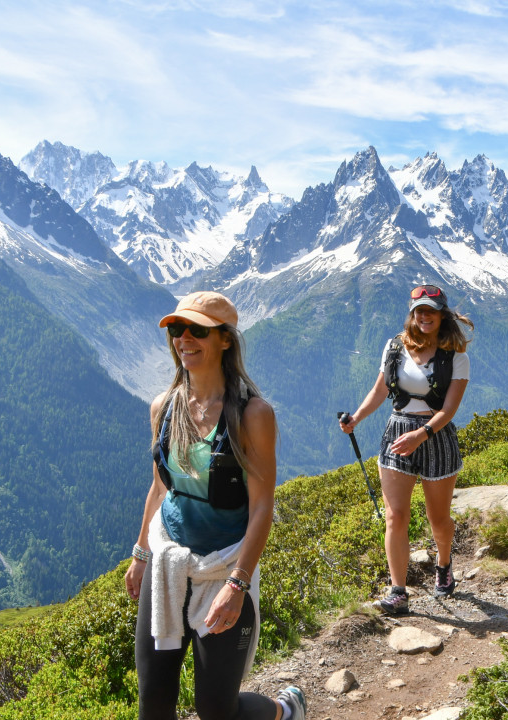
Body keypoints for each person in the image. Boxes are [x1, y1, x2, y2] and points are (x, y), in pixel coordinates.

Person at [125, 291, 306, 720]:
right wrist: (139, 554)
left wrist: (238, 583)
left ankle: (284, 711)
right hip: (168, 561)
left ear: (225, 339)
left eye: (197, 331)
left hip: (224, 567)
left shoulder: (252, 414)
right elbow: (159, 489)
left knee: (215, 710)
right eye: (176, 329)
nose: (183, 339)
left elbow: (262, 507)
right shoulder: (164, 408)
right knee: (152, 702)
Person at [339, 285, 473, 616]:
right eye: (419, 311)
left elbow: (450, 410)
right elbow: (380, 389)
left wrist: (421, 434)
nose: (424, 316)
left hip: (435, 435)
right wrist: (356, 417)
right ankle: (398, 591)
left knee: (438, 519)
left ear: (442, 315)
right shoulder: (394, 347)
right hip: (397, 431)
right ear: (412, 314)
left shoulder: (457, 356)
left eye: (431, 311)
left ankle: (443, 564)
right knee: (395, 515)